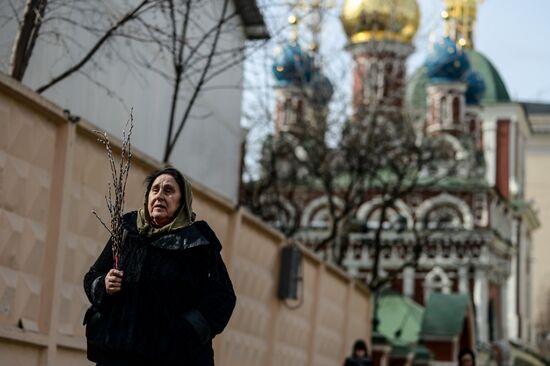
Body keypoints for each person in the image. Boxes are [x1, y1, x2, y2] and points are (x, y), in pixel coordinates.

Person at [83, 167, 236, 366]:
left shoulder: (198, 244)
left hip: (173, 357)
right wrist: (104, 284)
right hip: (118, 354)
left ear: (182, 202)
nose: (160, 196)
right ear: (147, 197)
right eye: (155, 190)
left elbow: (223, 297)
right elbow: (92, 275)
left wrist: (185, 330)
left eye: (169, 191)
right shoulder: (127, 232)